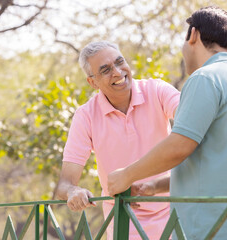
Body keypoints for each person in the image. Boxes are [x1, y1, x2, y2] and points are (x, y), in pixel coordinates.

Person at [107, 6, 227, 239]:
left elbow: (180, 146)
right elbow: (221, 166)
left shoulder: (205, 77)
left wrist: (126, 175)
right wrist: (155, 186)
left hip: (209, 227)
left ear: (193, 35)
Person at [55, 41, 180, 239]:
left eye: (119, 62)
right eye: (105, 70)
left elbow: (192, 119)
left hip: (175, 212)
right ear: (92, 82)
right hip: (124, 220)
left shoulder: (157, 90)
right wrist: (73, 191)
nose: (117, 72)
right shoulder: (85, 115)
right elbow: (64, 183)